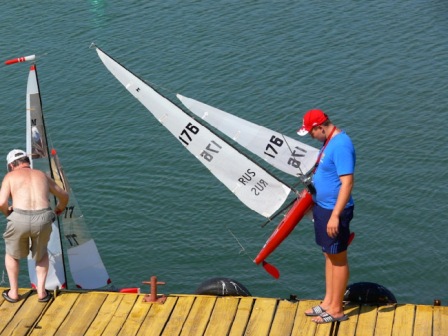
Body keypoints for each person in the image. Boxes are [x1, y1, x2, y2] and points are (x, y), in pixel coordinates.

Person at [297, 109, 355, 324]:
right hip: (323, 208)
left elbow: (347, 182)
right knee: (328, 255)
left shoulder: (341, 145)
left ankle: (337, 310)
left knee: (338, 258)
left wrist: (336, 216)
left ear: (320, 127)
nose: (311, 136)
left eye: (311, 132)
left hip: (334, 211)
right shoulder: (328, 143)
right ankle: (328, 302)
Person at [0, 149, 69, 303]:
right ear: (27, 162)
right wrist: (58, 210)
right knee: (41, 254)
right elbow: (64, 196)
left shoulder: (10, 177)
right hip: (43, 217)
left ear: (11, 165)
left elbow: (2, 203)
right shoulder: (42, 175)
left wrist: (9, 214)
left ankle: (13, 293)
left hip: (19, 217)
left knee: (12, 255)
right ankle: (42, 293)